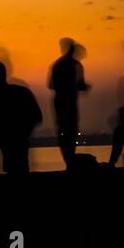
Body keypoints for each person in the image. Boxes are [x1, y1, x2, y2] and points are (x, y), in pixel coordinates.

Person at [0, 60, 42, 175]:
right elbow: (37, 116)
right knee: (20, 166)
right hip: (19, 137)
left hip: (8, 136)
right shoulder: (21, 91)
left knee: (14, 166)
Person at [49, 38, 90, 169]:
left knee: (64, 132)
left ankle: (68, 161)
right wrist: (77, 86)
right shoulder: (76, 65)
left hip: (61, 101)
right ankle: (70, 161)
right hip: (68, 102)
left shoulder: (58, 64)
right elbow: (81, 85)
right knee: (70, 131)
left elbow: (51, 85)